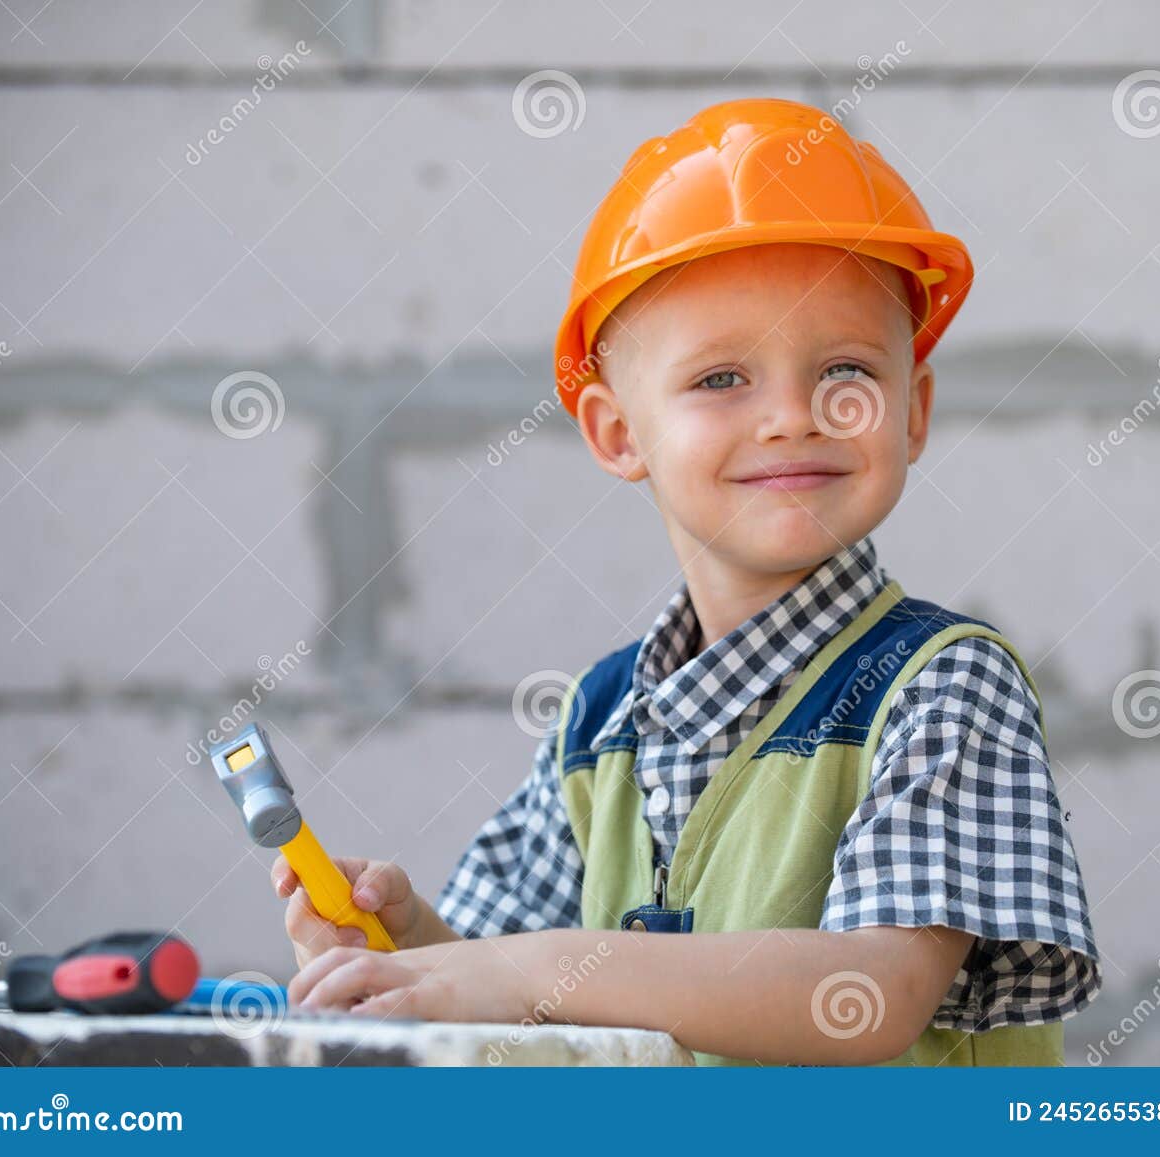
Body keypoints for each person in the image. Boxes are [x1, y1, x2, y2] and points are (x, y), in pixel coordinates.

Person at [279, 97, 1102, 1066]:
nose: (794, 415)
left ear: (911, 411)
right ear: (616, 431)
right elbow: (506, 1000)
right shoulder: (595, 725)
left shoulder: (942, 687)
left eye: (844, 368)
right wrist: (409, 947)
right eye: (721, 378)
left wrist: (530, 967)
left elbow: (864, 992)